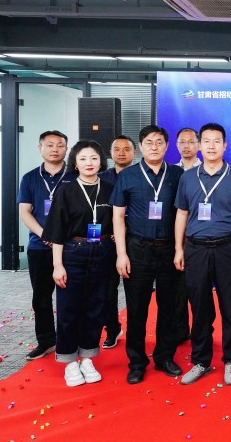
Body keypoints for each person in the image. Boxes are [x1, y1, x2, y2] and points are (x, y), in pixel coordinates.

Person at [174, 123, 231, 386]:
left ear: (225, 145)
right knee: (200, 308)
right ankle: (201, 361)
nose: (211, 146)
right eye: (206, 141)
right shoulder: (187, 177)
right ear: (199, 145)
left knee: (230, 307)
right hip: (195, 249)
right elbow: (182, 213)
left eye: (216, 141)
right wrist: (179, 248)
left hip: (228, 248)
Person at [111, 125, 185, 384]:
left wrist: (180, 248)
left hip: (169, 249)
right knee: (137, 309)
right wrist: (121, 254)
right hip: (138, 248)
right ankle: (137, 362)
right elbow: (118, 217)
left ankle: (165, 357)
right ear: (140, 147)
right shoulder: (127, 176)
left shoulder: (177, 174)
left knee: (169, 307)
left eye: (159, 142)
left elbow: (184, 213)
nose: (154, 147)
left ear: (167, 146)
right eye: (149, 142)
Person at [41, 140, 115, 387]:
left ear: (101, 161)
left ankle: (87, 358)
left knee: (96, 308)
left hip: (102, 252)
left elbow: (118, 221)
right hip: (73, 253)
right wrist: (57, 265)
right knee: (69, 308)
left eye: (94, 158)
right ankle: (69, 361)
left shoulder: (110, 188)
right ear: (75, 163)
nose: (89, 163)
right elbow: (57, 231)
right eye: (83, 159)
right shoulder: (66, 191)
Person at [17, 130, 76, 360]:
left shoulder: (74, 176)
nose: (55, 149)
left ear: (66, 149)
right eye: (49, 145)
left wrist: (61, 237)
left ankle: (69, 340)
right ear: (40, 148)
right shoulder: (30, 178)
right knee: (41, 297)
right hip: (39, 247)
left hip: (70, 247)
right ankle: (46, 341)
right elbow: (25, 212)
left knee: (70, 296)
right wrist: (46, 234)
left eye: (60, 145)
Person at [99, 135, 135, 350]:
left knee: (135, 291)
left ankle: (136, 334)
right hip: (108, 242)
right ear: (110, 153)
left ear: (134, 152)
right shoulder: (101, 178)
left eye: (126, 149)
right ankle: (112, 329)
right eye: (117, 149)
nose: (121, 153)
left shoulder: (140, 175)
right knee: (107, 290)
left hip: (135, 240)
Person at [173, 127, 200, 345]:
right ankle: (181, 330)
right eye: (182, 142)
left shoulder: (209, 170)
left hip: (200, 238)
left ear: (199, 145)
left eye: (191, 142)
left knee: (200, 290)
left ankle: (201, 330)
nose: (186, 146)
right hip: (176, 237)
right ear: (176, 145)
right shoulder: (172, 172)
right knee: (178, 288)